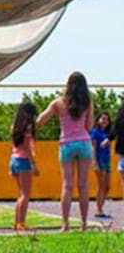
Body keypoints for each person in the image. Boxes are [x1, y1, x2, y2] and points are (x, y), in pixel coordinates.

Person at [38, 71, 94, 231]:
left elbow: (40, 120)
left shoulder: (58, 103)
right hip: (84, 143)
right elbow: (89, 126)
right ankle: (84, 224)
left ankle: (65, 224)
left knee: (67, 185)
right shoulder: (87, 102)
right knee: (83, 185)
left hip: (66, 145)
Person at [9, 100, 39, 232]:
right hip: (23, 161)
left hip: (14, 159)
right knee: (25, 195)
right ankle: (21, 222)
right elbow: (27, 147)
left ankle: (17, 222)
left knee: (20, 194)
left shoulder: (14, 126)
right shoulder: (28, 126)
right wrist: (33, 164)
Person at [91, 112, 113, 219]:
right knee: (100, 185)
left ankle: (101, 208)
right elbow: (93, 148)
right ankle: (99, 210)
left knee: (107, 186)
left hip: (107, 160)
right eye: (103, 119)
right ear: (98, 120)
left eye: (107, 119)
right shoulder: (95, 132)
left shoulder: (108, 134)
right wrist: (94, 162)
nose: (105, 121)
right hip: (99, 160)